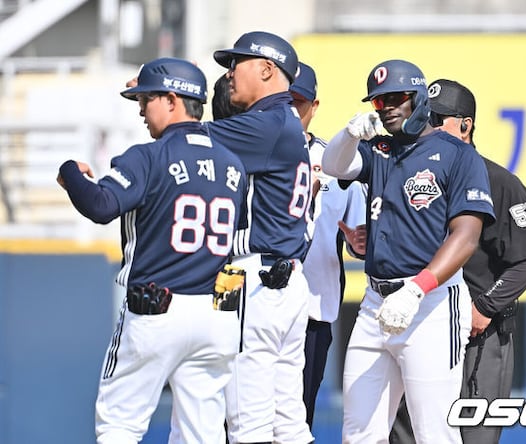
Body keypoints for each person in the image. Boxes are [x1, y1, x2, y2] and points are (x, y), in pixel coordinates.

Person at [57, 57, 248, 444]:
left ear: (172, 100)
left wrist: (70, 172)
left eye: (146, 99)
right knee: (202, 435)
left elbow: (100, 205)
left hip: (156, 310)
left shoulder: (147, 156)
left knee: (118, 426)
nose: (141, 110)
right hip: (216, 315)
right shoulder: (233, 164)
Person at [321, 59, 495, 443]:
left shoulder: (457, 154)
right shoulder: (379, 149)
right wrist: (349, 134)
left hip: (430, 303)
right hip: (374, 302)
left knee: (434, 433)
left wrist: (417, 289)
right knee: (358, 433)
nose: (387, 107)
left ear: (418, 98)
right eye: (379, 101)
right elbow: (333, 165)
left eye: (396, 97)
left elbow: (466, 236)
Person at [389, 79, 526, 444]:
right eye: (423, 116)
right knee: (407, 436)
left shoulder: (498, 181)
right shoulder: (411, 173)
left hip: (479, 336)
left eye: (438, 119)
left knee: (473, 435)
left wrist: (485, 307)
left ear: (466, 125)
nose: (428, 125)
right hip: (422, 325)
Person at [208, 31, 314, 444]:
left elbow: (182, 140)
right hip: (284, 279)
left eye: (237, 64)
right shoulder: (285, 121)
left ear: (268, 69)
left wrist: (172, 98)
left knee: (245, 422)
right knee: (288, 423)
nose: (230, 73)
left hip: (251, 278)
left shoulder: (267, 124)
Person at [290, 61, 367, 429]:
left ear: (314, 106)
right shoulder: (252, 153)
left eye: (298, 102)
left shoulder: (335, 161)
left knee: (298, 418)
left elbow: (358, 237)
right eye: (283, 101)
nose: (291, 110)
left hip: (313, 308)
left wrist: (360, 243)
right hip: (255, 305)